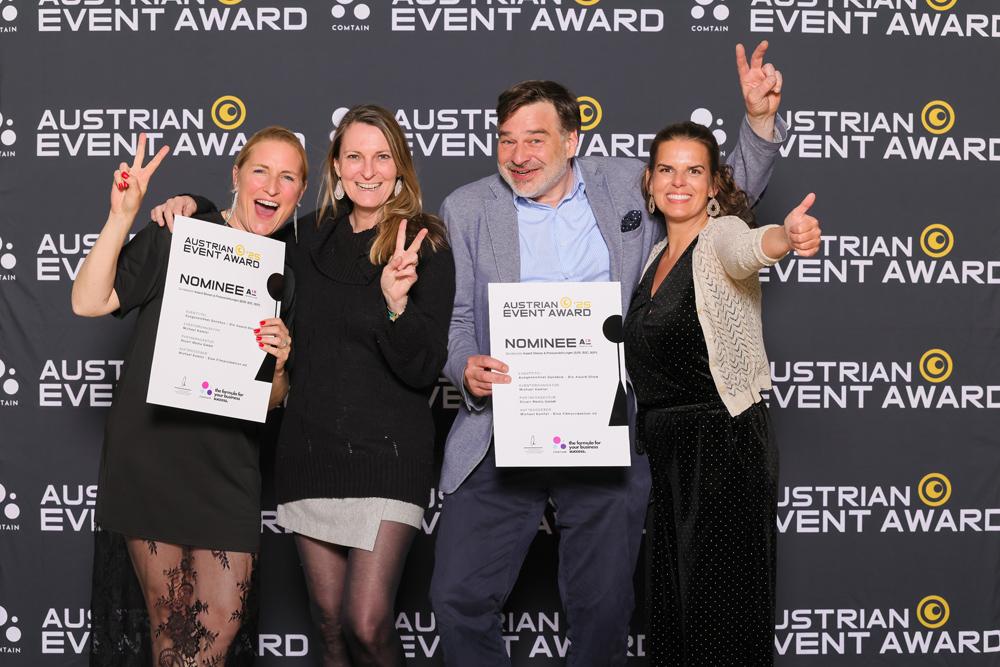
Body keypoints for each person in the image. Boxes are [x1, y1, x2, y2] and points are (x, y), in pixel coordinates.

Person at [429, 41, 787, 666]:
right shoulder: (466, 208)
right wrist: (464, 365)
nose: (518, 154)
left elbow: (724, 193)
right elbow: (456, 321)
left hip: (606, 431)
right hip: (502, 428)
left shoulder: (626, 183)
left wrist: (757, 122)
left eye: (535, 138)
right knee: (456, 599)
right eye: (506, 140)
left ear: (572, 140)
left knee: (602, 610)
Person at [150, 104, 456, 667]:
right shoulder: (304, 238)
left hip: (388, 458)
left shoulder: (423, 243)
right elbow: (241, 236)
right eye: (354, 156)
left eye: (382, 156)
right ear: (336, 166)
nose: (368, 170)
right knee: (330, 624)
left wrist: (394, 305)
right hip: (311, 453)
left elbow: (422, 368)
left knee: (367, 622)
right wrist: (192, 206)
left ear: (400, 166)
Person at [73, 127, 305, 666]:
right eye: (261, 171)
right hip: (153, 456)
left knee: (216, 629)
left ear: (299, 192)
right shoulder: (180, 233)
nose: (272, 186)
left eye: (288, 177)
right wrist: (121, 216)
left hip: (228, 468)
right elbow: (89, 301)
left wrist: (279, 364)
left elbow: (273, 401)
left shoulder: (283, 278)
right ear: (236, 176)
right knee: (172, 631)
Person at [624, 120, 819, 666]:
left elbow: (750, 248)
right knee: (675, 614)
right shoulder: (652, 258)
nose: (678, 182)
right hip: (668, 452)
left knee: (722, 617)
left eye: (694, 171)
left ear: (714, 184)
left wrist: (786, 237)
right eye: (667, 169)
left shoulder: (720, 235)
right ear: (649, 181)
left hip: (724, 445)